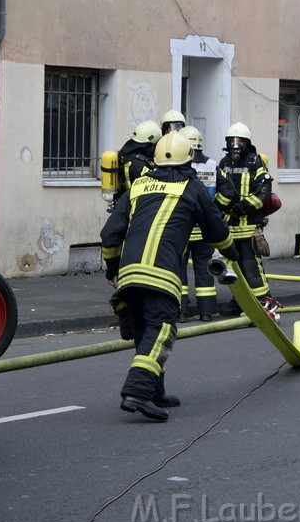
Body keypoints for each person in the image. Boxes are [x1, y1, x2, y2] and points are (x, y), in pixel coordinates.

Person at [101, 131, 238, 422]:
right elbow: (215, 229)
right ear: (189, 160)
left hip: (129, 273)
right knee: (161, 330)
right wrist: (232, 253)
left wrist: (112, 269)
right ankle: (137, 391)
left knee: (144, 333)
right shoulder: (192, 187)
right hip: (161, 274)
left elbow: (110, 235)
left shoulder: (137, 186)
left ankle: (154, 391)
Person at [215, 122, 281, 319]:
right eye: (232, 141)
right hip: (230, 225)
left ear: (247, 143)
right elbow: (218, 189)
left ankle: (263, 302)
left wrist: (245, 206)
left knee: (250, 266)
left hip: (249, 225)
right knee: (233, 269)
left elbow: (264, 191)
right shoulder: (223, 163)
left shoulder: (255, 162)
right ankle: (240, 302)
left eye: (240, 141)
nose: (236, 145)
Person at [178, 126, 219, 322]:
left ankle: (182, 311)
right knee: (204, 268)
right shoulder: (212, 165)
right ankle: (206, 312)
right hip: (205, 229)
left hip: (183, 228)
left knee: (179, 268)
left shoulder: (179, 167)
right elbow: (227, 192)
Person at [115, 120, 161, 201]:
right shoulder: (139, 165)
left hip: (123, 201)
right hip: (135, 204)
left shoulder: (126, 152)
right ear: (151, 144)